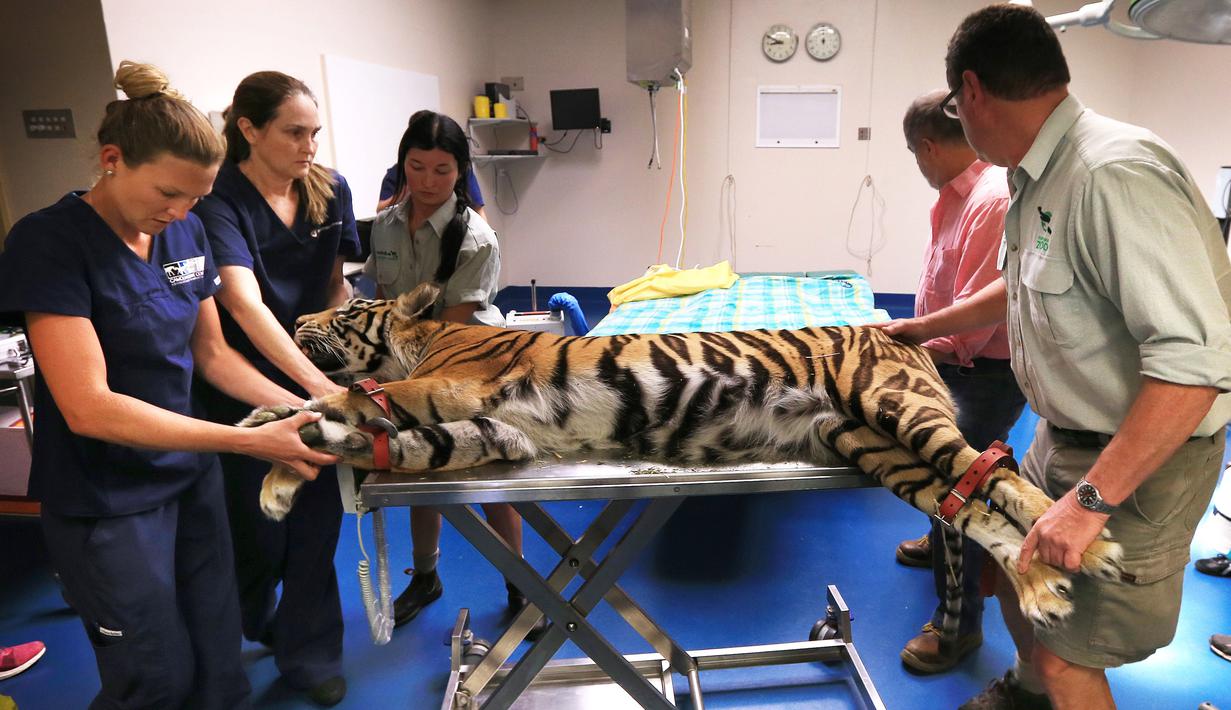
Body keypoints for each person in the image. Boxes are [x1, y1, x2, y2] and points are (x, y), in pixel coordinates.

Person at [875, 6, 1231, 709]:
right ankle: (1026, 692)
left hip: (1135, 458)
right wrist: (922, 328)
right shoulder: (1037, 172)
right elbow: (1020, 282)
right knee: (1013, 578)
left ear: (970, 92)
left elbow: (1195, 364)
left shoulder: (1112, 174)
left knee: (1073, 656)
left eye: (955, 107)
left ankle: (1050, 687)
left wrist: (1090, 502)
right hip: (1058, 436)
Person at [0, 61, 335, 710]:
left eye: (195, 199)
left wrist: (312, 406)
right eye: (166, 194)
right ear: (111, 159)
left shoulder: (183, 230)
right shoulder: (48, 243)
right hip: (109, 499)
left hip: (191, 484)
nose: (180, 212)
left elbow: (212, 356)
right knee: (154, 677)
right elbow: (89, 406)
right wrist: (249, 443)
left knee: (219, 665)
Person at [192, 70, 360, 707]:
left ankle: (311, 652)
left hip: (313, 376)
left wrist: (340, 360)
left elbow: (330, 289)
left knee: (315, 523)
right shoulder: (218, 202)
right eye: (294, 132)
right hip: (240, 390)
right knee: (257, 529)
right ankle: (258, 617)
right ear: (248, 130)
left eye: (314, 133)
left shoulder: (329, 191)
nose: (309, 146)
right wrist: (316, 387)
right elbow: (244, 304)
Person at [363, 110, 538, 632]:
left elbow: (450, 330)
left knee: (487, 476)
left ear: (461, 171)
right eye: (416, 167)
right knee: (422, 469)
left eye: (442, 170)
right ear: (402, 165)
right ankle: (427, 577)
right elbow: (380, 300)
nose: (428, 182)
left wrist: (399, 382)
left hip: (466, 361)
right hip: (405, 360)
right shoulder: (386, 227)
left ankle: (519, 583)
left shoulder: (476, 240)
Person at [895, 89, 1026, 675]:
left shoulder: (992, 199)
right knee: (937, 477)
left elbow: (977, 316)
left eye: (913, 155)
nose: (917, 165)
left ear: (927, 146)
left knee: (951, 481)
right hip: (956, 359)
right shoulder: (955, 196)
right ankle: (940, 541)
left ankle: (958, 627)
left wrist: (914, 341)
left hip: (983, 370)